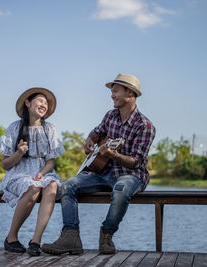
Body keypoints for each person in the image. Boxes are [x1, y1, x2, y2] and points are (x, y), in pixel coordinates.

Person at [42, 73, 156, 255]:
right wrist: (89, 140)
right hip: (103, 172)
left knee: (121, 189)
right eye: (112, 91)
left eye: (116, 91)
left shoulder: (145, 125)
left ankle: (107, 234)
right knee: (67, 186)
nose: (112, 95)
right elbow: (97, 131)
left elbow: (136, 162)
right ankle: (70, 236)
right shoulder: (110, 115)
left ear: (130, 93)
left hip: (132, 175)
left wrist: (113, 154)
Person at [0, 87, 65, 256]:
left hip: (42, 172)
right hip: (18, 173)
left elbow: (50, 163)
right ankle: (11, 237)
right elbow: (5, 165)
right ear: (28, 103)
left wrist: (42, 173)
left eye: (46, 103)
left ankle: (35, 241)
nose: (44, 105)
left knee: (51, 185)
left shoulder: (50, 129)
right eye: (40, 101)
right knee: (33, 188)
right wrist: (19, 152)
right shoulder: (14, 128)